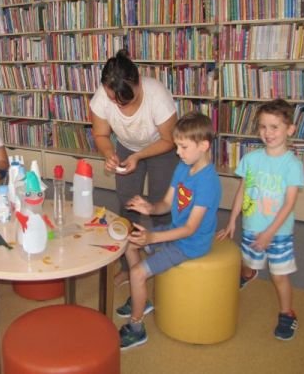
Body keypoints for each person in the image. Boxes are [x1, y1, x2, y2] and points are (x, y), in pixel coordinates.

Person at [117, 111, 221, 350]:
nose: (177, 152)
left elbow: (190, 229)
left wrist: (152, 237)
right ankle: (141, 298)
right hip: (175, 231)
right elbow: (165, 203)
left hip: (191, 244)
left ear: (203, 146)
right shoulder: (184, 167)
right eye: (177, 146)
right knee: (130, 243)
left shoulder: (208, 182)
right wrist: (149, 207)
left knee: (138, 273)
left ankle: (136, 328)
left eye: (183, 147)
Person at [217, 99, 304, 341]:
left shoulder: (292, 165)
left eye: (275, 127)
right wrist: (232, 220)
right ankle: (247, 274)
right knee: (248, 261)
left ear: (290, 129)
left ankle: (287, 313)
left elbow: (289, 204)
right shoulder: (251, 159)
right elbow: (243, 191)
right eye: (263, 127)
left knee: (279, 276)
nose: (268, 133)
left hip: (278, 233)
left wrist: (269, 233)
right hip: (251, 227)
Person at [90, 50, 178, 285]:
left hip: (162, 148)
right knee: (127, 204)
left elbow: (169, 140)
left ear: (138, 81)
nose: (119, 105)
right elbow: (101, 134)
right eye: (113, 100)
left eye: (126, 100)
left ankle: (164, 262)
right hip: (127, 146)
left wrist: (139, 156)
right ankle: (129, 267)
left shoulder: (157, 95)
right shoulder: (101, 97)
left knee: (161, 205)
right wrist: (109, 154)